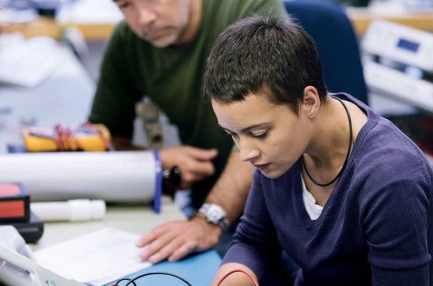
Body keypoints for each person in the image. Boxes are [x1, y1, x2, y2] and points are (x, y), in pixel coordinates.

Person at [160, 14, 433, 286]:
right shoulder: (283, 149)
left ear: (308, 101)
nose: (247, 153)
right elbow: (254, 242)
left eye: (258, 132)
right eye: (234, 135)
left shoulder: (391, 179)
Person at [88, 0, 286, 264]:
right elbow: (101, 138)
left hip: (284, 200)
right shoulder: (127, 42)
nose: (144, 17)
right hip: (206, 199)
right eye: (126, 6)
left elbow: (263, 133)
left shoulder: (250, 9)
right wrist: (157, 162)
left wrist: (209, 220)